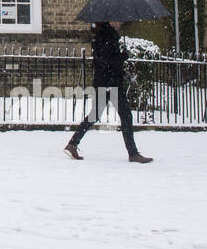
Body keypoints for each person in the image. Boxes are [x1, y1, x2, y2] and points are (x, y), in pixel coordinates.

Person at [65, 20, 153, 163]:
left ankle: (72, 144)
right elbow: (107, 61)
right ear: (111, 21)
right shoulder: (107, 36)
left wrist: (122, 71)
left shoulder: (104, 35)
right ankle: (133, 153)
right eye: (118, 20)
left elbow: (106, 61)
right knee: (125, 116)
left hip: (106, 81)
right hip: (110, 83)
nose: (121, 23)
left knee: (95, 115)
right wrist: (123, 56)